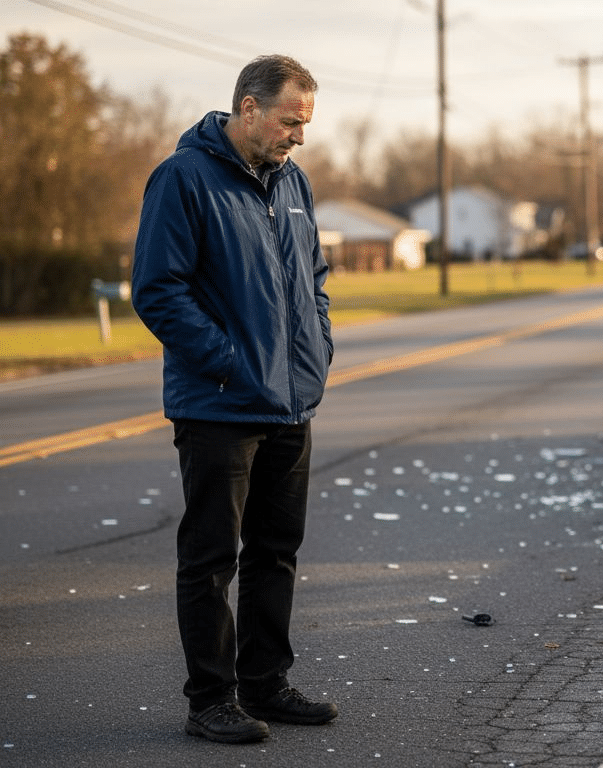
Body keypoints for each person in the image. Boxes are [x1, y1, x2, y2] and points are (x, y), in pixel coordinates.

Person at [132, 54, 337, 744]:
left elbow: (314, 278)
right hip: (219, 405)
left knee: (276, 550)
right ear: (249, 108)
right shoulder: (183, 179)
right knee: (212, 558)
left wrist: (317, 352)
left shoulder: (294, 184)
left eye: (305, 123)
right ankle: (210, 699)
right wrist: (227, 363)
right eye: (290, 120)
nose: (299, 136)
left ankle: (266, 684)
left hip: (289, 403)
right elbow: (158, 290)